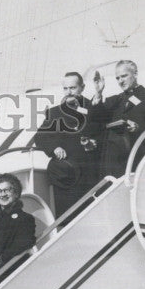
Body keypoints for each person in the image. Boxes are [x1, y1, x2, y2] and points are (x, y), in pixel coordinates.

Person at [32, 71, 103, 216]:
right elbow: (39, 138)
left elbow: (103, 135)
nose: (69, 92)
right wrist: (54, 148)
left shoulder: (94, 108)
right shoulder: (54, 113)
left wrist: (93, 143)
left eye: (73, 87)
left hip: (90, 176)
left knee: (92, 217)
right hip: (66, 177)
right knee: (67, 219)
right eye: (66, 88)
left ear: (82, 87)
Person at [88, 59, 145, 176]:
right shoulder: (113, 101)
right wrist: (98, 93)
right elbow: (95, 119)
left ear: (135, 74)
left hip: (140, 159)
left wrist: (138, 127)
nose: (120, 81)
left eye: (124, 76)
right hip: (114, 164)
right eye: (117, 78)